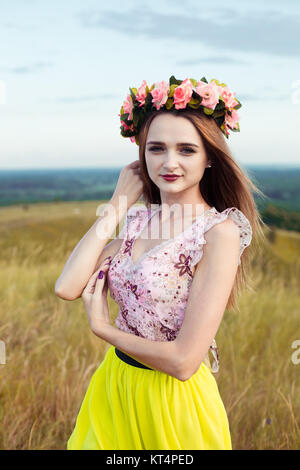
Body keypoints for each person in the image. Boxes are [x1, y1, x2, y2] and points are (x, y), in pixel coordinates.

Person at [55, 75, 265, 450]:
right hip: (114, 386)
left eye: (186, 149)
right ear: (141, 156)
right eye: (156, 149)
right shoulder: (136, 220)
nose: (169, 162)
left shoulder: (219, 233)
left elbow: (184, 362)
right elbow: (67, 286)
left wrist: (104, 330)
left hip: (171, 403)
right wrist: (117, 205)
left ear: (209, 158)